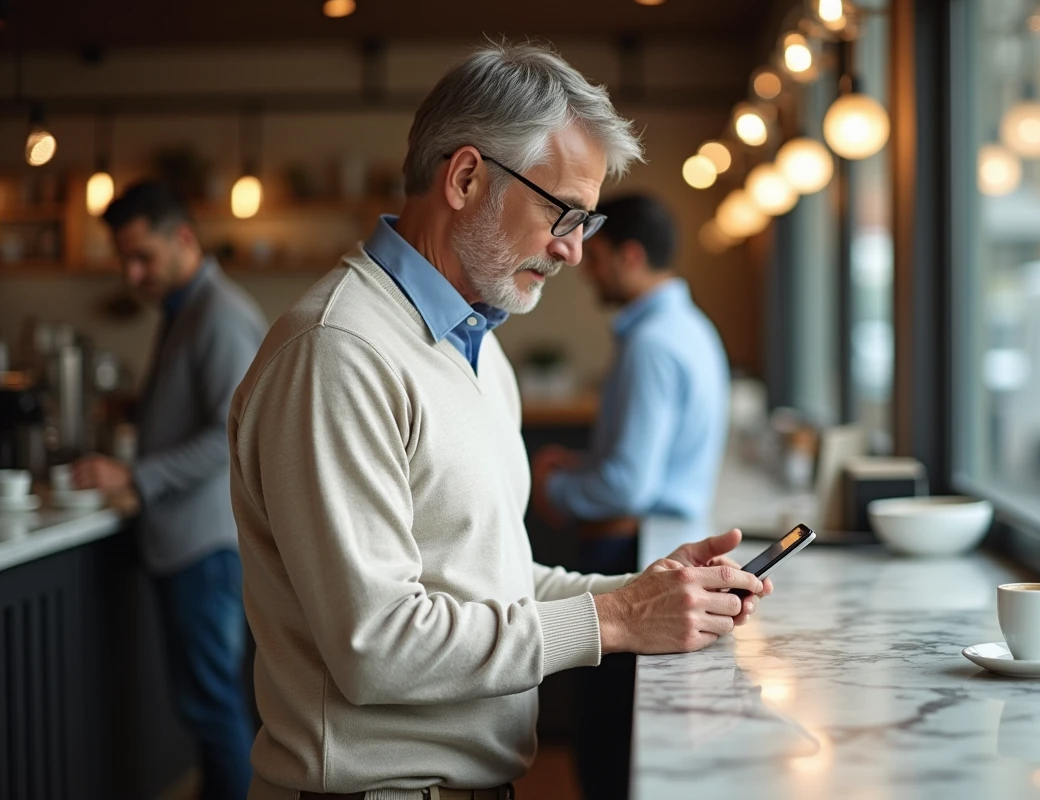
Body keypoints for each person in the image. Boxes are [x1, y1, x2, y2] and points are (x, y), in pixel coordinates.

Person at [229, 41, 771, 800]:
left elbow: (493, 579)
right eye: (563, 213)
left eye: (588, 219)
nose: (575, 251)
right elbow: (376, 645)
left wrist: (645, 593)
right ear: (466, 177)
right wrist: (614, 620)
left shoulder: (477, 349)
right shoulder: (338, 353)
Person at [530, 194, 730, 800]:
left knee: (606, 743)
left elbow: (628, 484)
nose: (582, 264)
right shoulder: (688, 327)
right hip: (657, 536)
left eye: (597, 255)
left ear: (631, 256)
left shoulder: (650, 344)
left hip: (629, 545)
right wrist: (586, 463)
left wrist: (554, 485)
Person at [72, 180, 265, 800]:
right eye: (124, 260)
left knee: (213, 712)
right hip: (191, 543)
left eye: (142, 257)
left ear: (183, 238)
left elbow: (230, 434)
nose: (132, 273)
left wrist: (135, 476)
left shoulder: (220, 315)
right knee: (208, 710)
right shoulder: (187, 308)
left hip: (204, 547)